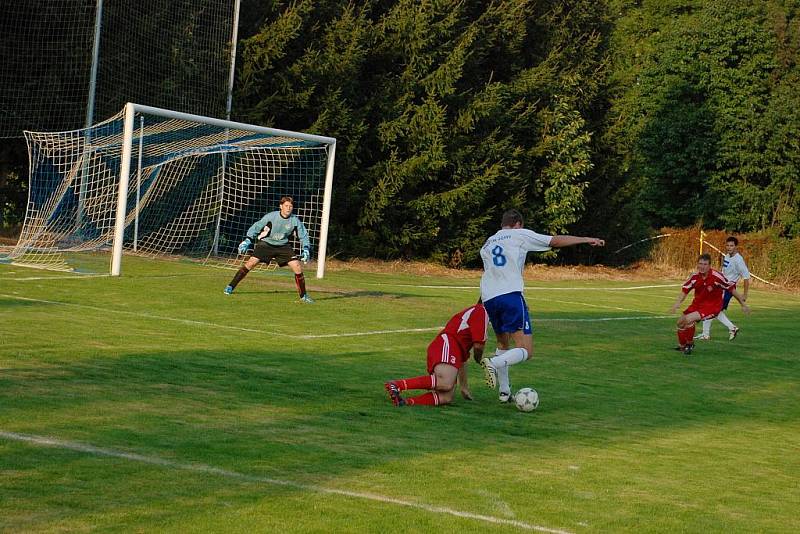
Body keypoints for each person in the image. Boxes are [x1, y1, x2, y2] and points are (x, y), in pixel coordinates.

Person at [478, 209, 605, 402]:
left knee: (503, 343)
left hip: (489, 298)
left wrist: (479, 304)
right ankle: (494, 363)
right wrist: (585, 239)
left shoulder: (488, 243)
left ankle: (504, 393)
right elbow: (554, 241)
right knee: (526, 350)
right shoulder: (519, 234)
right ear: (518, 223)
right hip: (510, 295)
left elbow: (491, 272)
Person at [384, 301, 487, 407]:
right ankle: (397, 385)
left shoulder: (479, 311)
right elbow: (478, 346)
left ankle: (405, 402)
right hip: (447, 344)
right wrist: (481, 361)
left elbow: (463, 358)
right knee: (445, 382)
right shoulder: (481, 311)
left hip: (450, 348)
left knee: (446, 397)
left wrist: (464, 387)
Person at [224, 196, 314, 303]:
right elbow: (256, 226)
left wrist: (306, 249)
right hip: (266, 244)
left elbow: (303, 235)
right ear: (281, 206)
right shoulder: (271, 216)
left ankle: (303, 296)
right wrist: (247, 240)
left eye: (290, 206)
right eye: (286, 206)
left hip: (283, 246)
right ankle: (230, 286)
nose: (288, 208)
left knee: (297, 266)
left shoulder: (295, 220)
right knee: (251, 263)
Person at [671, 253, 750, 355]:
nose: (702, 267)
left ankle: (689, 344)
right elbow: (685, 290)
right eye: (700, 264)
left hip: (712, 307)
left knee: (688, 319)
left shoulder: (717, 277)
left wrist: (743, 304)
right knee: (680, 322)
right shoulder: (695, 277)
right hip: (697, 305)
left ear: (709, 266)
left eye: (705, 264)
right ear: (697, 264)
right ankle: (682, 346)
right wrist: (677, 303)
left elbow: (731, 289)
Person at [696, 236, 750, 341]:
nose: (729, 248)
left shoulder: (739, 260)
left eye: (732, 246)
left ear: (736, 247)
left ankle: (710, 333)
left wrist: (745, 295)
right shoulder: (727, 256)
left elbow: (746, 277)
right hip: (719, 286)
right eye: (727, 245)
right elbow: (724, 272)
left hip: (726, 289)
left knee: (711, 308)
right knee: (711, 308)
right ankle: (725, 329)